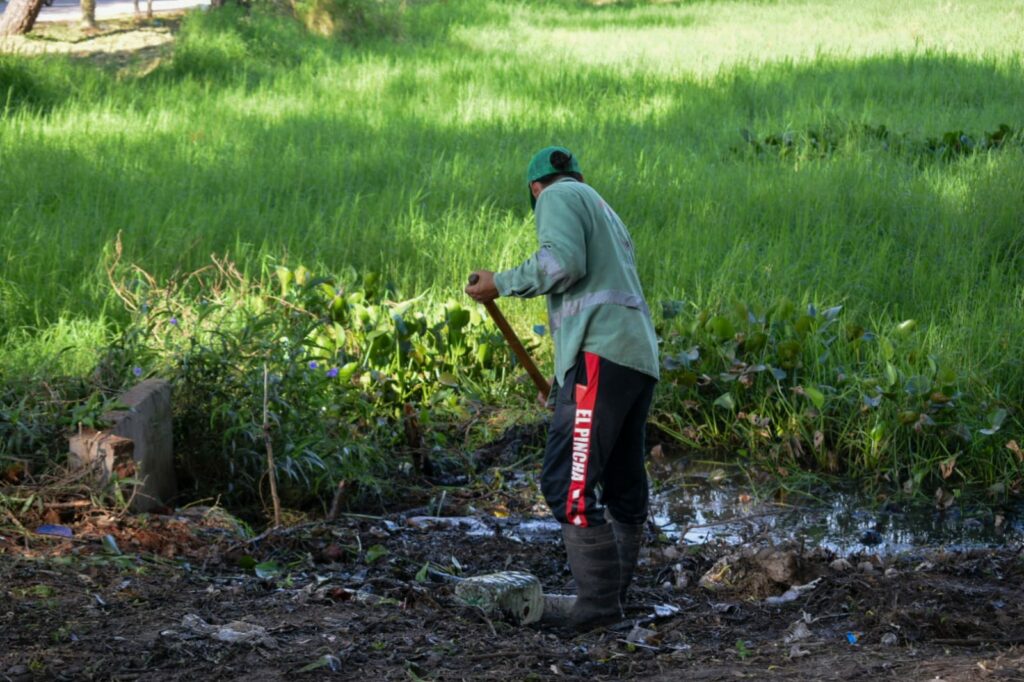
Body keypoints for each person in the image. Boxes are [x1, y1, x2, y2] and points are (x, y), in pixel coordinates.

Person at [465, 146, 660, 629]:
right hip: (634, 357)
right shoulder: (603, 210)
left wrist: (500, 282)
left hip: (600, 354)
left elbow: (562, 264)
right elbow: (594, 294)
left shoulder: (554, 197)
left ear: (535, 189)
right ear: (578, 175)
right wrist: (563, 379)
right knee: (622, 484)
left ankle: (598, 607)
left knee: (566, 484)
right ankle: (614, 599)